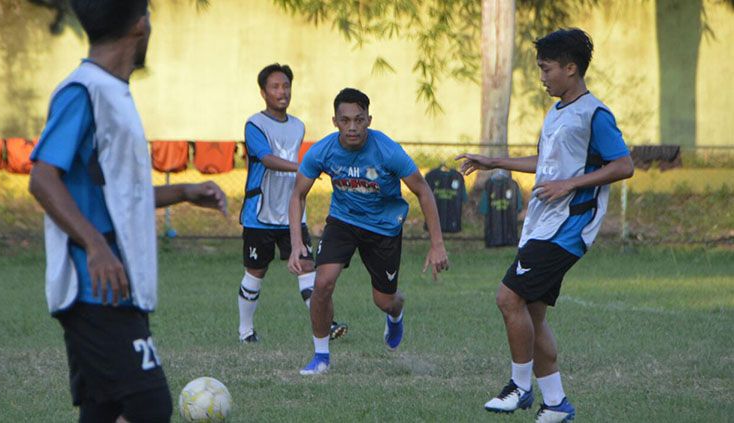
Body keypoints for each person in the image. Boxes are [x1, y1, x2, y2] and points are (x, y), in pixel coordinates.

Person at [28, 1, 228, 421]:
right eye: (151, 18)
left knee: (105, 409)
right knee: (149, 404)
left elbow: (119, 195)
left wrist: (185, 191)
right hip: (94, 288)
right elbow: (43, 177)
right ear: (140, 25)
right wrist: (97, 246)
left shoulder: (113, 93)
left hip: (118, 287)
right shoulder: (84, 91)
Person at [457, 28, 634, 422]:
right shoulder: (556, 112)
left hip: (567, 227)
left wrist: (570, 184)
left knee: (507, 298)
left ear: (571, 69)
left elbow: (623, 165)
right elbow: (548, 164)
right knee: (532, 316)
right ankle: (556, 404)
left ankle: (520, 387)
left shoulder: (595, 114)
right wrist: (495, 161)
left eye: (546, 68)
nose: (542, 76)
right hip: (542, 224)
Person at [288, 88, 450, 375]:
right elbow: (297, 194)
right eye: (345, 120)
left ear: (369, 120)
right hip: (343, 221)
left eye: (359, 120)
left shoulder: (387, 151)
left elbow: (423, 191)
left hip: (383, 228)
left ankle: (397, 313)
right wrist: (296, 243)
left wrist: (437, 244)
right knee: (322, 283)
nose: (352, 127)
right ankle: (321, 356)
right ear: (335, 121)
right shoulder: (322, 151)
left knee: (384, 301)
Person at [238, 63, 348, 343]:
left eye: (286, 86)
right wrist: (303, 167)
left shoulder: (298, 125)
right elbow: (265, 158)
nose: (282, 91)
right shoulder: (255, 124)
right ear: (263, 92)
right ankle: (245, 331)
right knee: (256, 272)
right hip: (260, 213)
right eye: (275, 87)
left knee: (307, 266)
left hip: (292, 213)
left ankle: (327, 324)